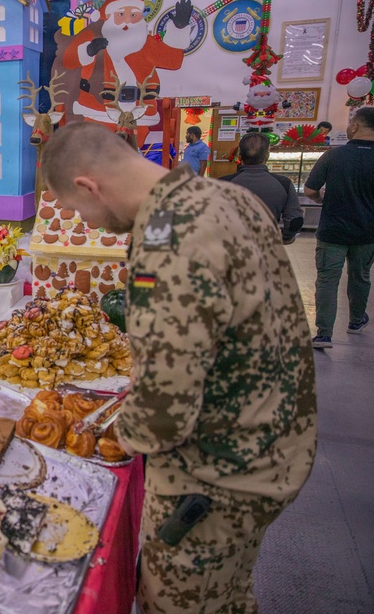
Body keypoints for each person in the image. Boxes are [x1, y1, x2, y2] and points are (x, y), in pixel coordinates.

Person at [40, 123, 316, 614]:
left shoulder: (166, 241)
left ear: (87, 186)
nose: (87, 222)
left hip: (213, 479)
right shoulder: (227, 197)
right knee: (227, 596)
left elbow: (164, 409)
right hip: (274, 446)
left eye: (76, 209)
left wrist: (110, 434)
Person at [63, 0, 191, 146]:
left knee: (130, 154)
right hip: (98, 111)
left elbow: (172, 60)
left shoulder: (145, 44)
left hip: (138, 113)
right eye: (122, 14)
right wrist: (88, 50)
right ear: (108, 16)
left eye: (134, 15)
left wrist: (179, 29)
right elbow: (68, 61)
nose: (128, 21)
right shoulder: (92, 36)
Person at [303, 107, 374, 347]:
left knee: (327, 279)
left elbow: (311, 190)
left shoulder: (333, 156)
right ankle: (355, 321)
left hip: (333, 230)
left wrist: (321, 200)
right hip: (367, 232)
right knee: (360, 275)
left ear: (355, 126)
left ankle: (324, 333)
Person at [226, 131, 304, 244]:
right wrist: (286, 237)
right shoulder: (284, 184)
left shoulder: (222, 183)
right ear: (267, 155)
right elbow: (295, 220)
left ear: (240, 156)